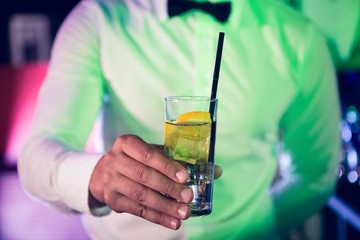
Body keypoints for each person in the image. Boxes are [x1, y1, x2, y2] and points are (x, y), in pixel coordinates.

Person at [18, 0, 341, 239]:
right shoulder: (99, 18)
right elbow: (35, 160)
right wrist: (98, 178)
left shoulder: (299, 38)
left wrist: (255, 227)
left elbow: (316, 173)